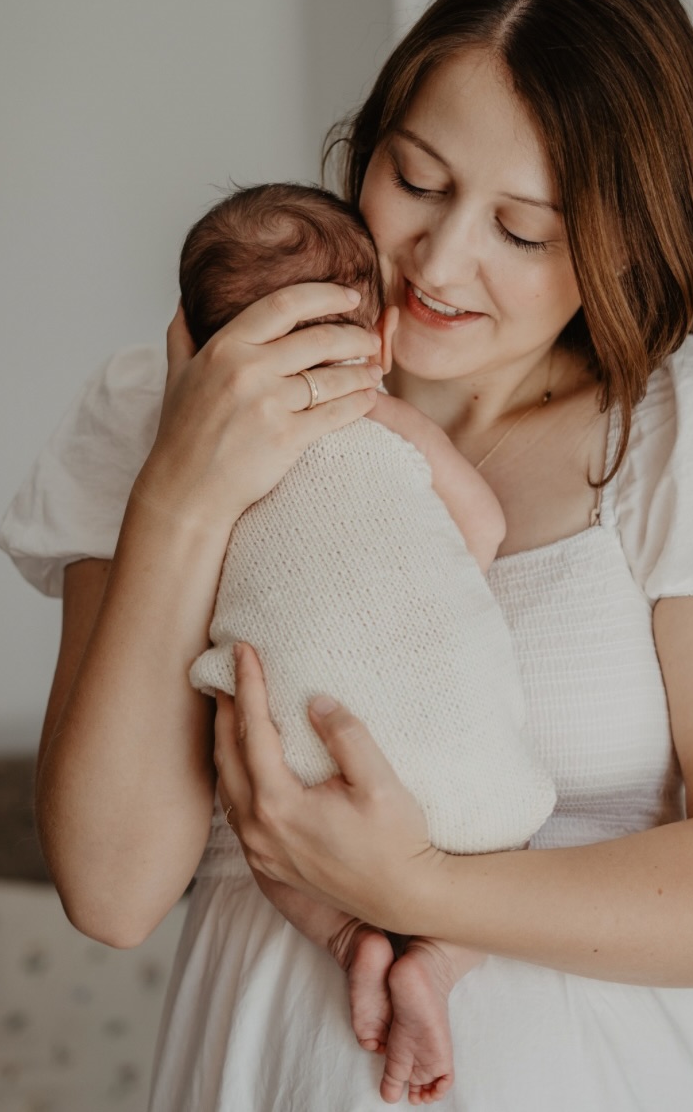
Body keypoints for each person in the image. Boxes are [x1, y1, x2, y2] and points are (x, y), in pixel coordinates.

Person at [0, 0, 693, 1110]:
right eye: (415, 179)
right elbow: (111, 891)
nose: (441, 261)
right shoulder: (160, 404)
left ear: (626, 240)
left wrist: (413, 891)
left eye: (525, 230)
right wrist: (184, 489)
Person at [180, 180, 556, 1096]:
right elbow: (481, 530)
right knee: (498, 845)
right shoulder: (387, 422)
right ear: (380, 338)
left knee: (263, 831)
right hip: (473, 791)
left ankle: (351, 939)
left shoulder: (215, 468)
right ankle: (438, 958)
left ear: (198, 359)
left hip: (296, 777)